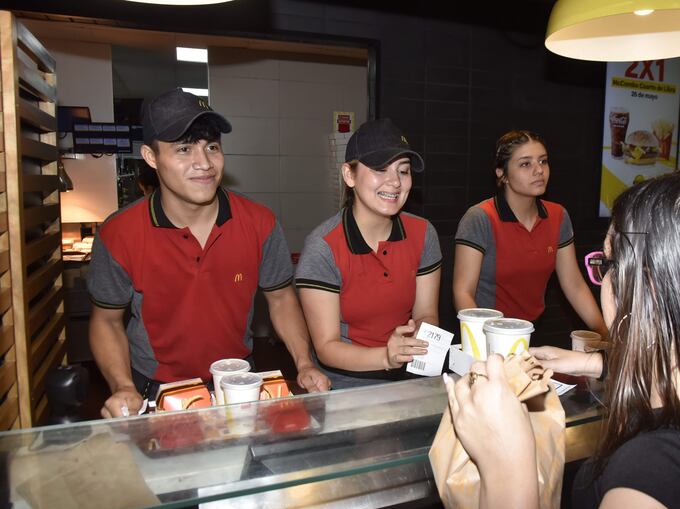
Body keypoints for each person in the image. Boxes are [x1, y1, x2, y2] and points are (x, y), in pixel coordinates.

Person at [444, 168, 680, 509]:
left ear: (650, 289)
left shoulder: (653, 475)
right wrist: (592, 362)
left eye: (607, 263)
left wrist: (507, 462)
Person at [88, 88, 329, 418]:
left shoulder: (260, 223)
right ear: (150, 156)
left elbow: (281, 298)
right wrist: (122, 385)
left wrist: (304, 362)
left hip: (238, 383)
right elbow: (107, 321)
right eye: (184, 149)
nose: (204, 163)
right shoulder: (119, 232)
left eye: (212, 147)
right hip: (157, 389)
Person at [294, 119, 442, 389]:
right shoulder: (323, 248)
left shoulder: (423, 233)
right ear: (349, 175)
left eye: (404, 170)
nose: (395, 182)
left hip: (409, 372)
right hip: (346, 380)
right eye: (379, 169)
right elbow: (327, 346)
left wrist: (418, 336)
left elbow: (426, 313)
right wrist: (386, 355)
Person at [453, 130, 607, 339]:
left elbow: (574, 284)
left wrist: (605, 333)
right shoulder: (479, 217)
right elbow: (463, 292)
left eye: (543, 161)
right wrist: (483, 342)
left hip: (531, 331)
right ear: (501, 172)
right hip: (486, 334)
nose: (539, 171)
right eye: (526, 164)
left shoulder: (558, 215)